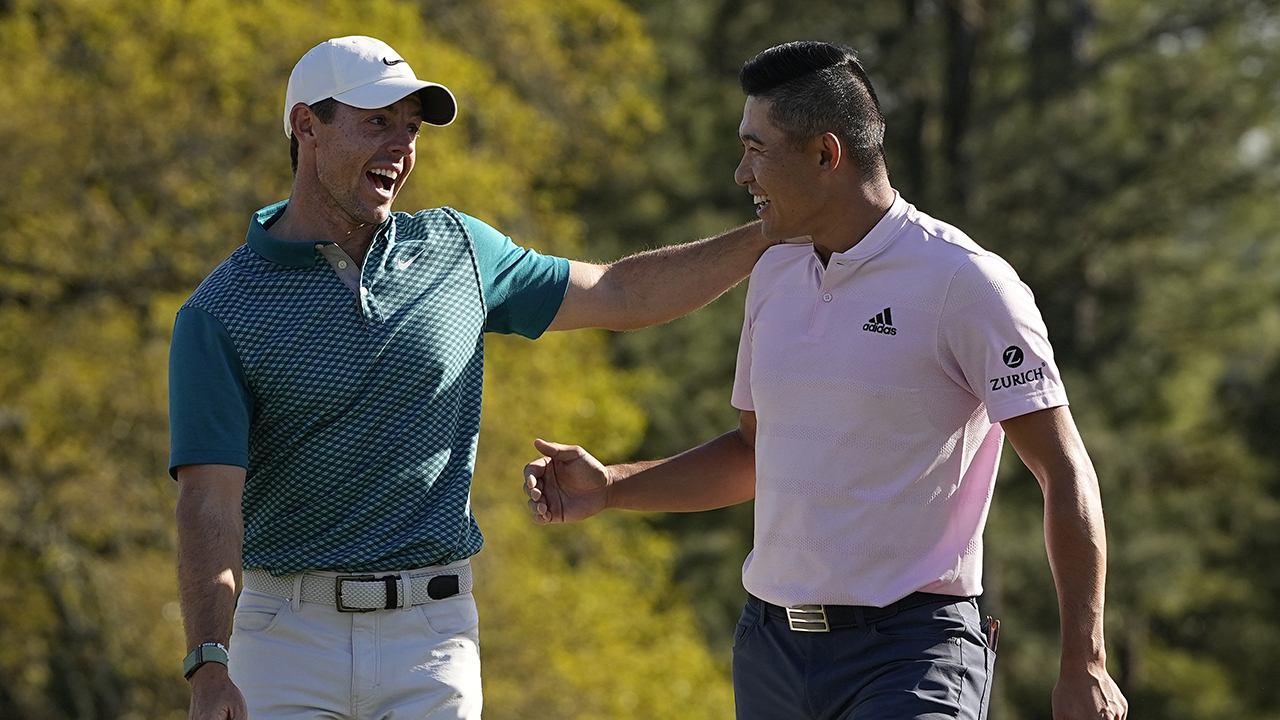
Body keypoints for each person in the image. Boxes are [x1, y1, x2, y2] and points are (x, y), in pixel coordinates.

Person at [170, 35, 777, 720]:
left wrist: (770, 232)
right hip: (284, 642)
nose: (401, 146)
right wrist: (208, 665)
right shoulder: (221, 311)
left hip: (431, 639)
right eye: (377, 122)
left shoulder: (457, 248)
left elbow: (618, 293)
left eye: (411, 128)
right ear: (307, 125)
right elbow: (209, 507)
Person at [524, 41, 1128, 720]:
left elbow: (1065, 470)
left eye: (756, 149)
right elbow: (757, 453)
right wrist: (612, 489)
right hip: (770, 653)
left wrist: (1085, 657)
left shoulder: (968, 283)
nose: (739, 173)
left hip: (913, 654)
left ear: (825, 155)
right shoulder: (774, 272)